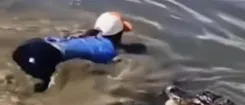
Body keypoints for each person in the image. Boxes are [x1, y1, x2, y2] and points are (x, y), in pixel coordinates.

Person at [11, 11, 145, 92]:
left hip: (30, 46)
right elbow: (101, 68)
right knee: (36, 91)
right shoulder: (108, 50)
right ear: (120, 32)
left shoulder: (88, 36)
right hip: (42, 58)